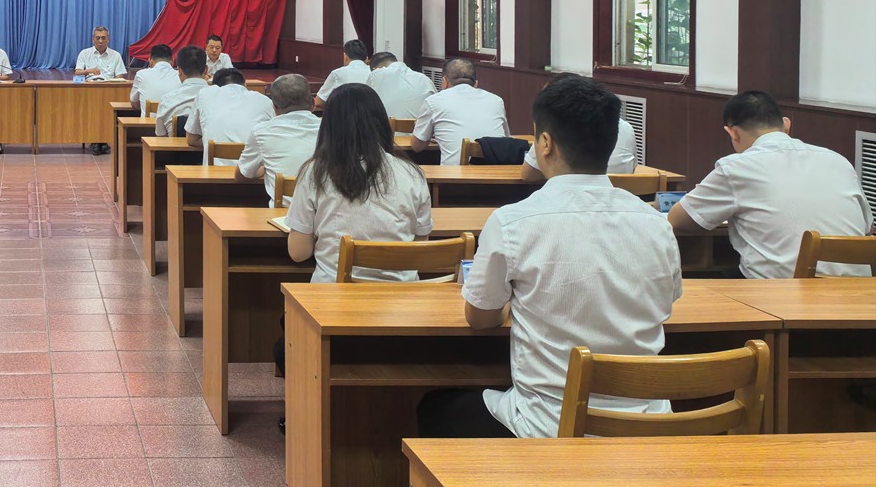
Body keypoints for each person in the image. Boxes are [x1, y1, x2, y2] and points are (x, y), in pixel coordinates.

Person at [431, 74, 683, 440]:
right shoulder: (656, 224)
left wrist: (511, 304)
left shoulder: (512, 221)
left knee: (436, 407)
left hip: (550, 428)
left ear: (545, 144)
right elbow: (667, 302)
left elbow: (480, 318)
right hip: (647, 426)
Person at [670, 90, 872, 278]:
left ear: (733, 133)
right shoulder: (838, 161)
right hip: (861, 294)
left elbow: (678, 220)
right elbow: (867, 227)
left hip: (784, 295)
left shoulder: (736, 167)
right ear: (786, 125)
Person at [284, 85, 432, 281]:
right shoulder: (412, 173)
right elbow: (420, 243)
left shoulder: (314, 173)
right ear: (381, 122)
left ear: (329, 126)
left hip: (334, 293)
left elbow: (298, 253)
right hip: (400, 294)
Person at [237, 73, 322, 207]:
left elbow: (242, 175)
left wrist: (264, 169)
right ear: (313, 103)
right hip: (325, 213)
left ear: (274, 108)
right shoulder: (332, 128)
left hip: (282, 214)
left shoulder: (261, 132)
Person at [412, 57, 510, 165]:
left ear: (444, 82)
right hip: (496, 171)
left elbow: (417, 147)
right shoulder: (496, 101)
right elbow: (506, 139)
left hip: (455, 173)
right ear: (476, 84)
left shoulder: (432, 102)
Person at [185, 68, 273, 162]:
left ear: (213, 86)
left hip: (214, 169)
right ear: (245, 85)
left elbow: (192, 139)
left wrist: (214, 143)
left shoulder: (205, 93)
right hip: (254, 169)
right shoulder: (265, 100)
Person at [75, 26, 128, 154]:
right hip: (89, 91)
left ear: (108, 39)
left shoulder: (115, 55)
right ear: (93, 39)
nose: (100, 41)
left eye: (103, 38)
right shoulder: (84, 53)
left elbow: (120, 76)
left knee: (107, 108)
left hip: (109, 91)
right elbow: (77, 73)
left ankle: (101, 140)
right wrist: (89, 71)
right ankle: (96, 140)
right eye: (97, 38)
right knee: (92, 109)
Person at [154, 45, 208, 137]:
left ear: (179, 70)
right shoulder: (220, 98)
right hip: (210, 146)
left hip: (173, 146)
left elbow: (160, 135)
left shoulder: (166, 100)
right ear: (206, 70)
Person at [366, 51, 436, 120]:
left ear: (374, 68)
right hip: (421, 126)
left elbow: (366, 106)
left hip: (389, 126)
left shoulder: (376, 75)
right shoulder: (424, 78)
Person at [314, 39, 370, 107]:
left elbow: (319, 102)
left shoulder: (337, 73)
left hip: (344, 112)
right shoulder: (374, 72)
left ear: (345, 57)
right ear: (366, 59)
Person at [132, 44, 180, 112]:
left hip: (147, 119)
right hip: (173, 119)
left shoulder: (141, 74)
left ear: (150, 62)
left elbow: (134, 103)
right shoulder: (180, 75)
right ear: (172, 61)